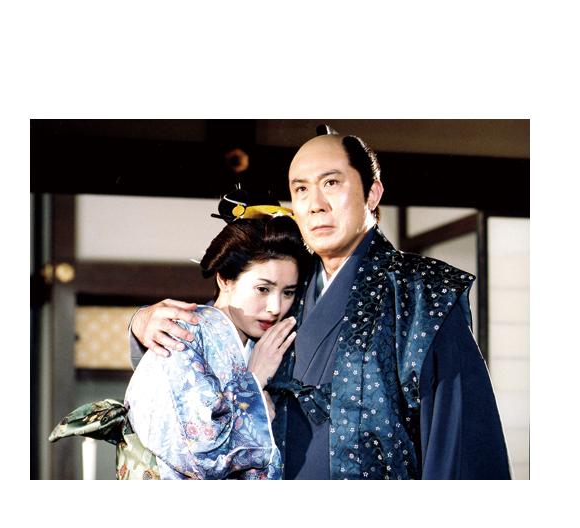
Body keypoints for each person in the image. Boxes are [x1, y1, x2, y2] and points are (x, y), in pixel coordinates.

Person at [129, 128, 511, 480]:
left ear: (372, 193)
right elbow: (211, 345)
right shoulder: (288, 284)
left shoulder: (421, 292)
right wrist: (143, 323)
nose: (315, 204)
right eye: (301, 189)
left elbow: (458, 437)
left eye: (331, 183)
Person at [51, 213, 310, 480]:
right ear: (224, 279)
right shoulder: (181, 335)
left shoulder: (268, 342)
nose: (275, 307)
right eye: (263, 289)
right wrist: (253, 384)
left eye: (288, 292)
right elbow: (199, 454)